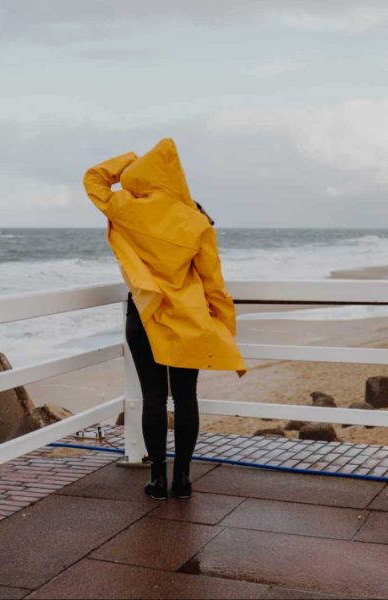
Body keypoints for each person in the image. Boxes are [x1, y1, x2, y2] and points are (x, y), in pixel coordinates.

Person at [83, 138, 246, 501]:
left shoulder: (125, 208)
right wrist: (224, 328)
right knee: (186, 398)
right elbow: (214, 284)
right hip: (188, 320)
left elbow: (94, 178)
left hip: (143, 315)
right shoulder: (197, 220)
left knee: (153, 398)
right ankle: (184, 478)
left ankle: (157, 478)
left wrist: (130, 160)